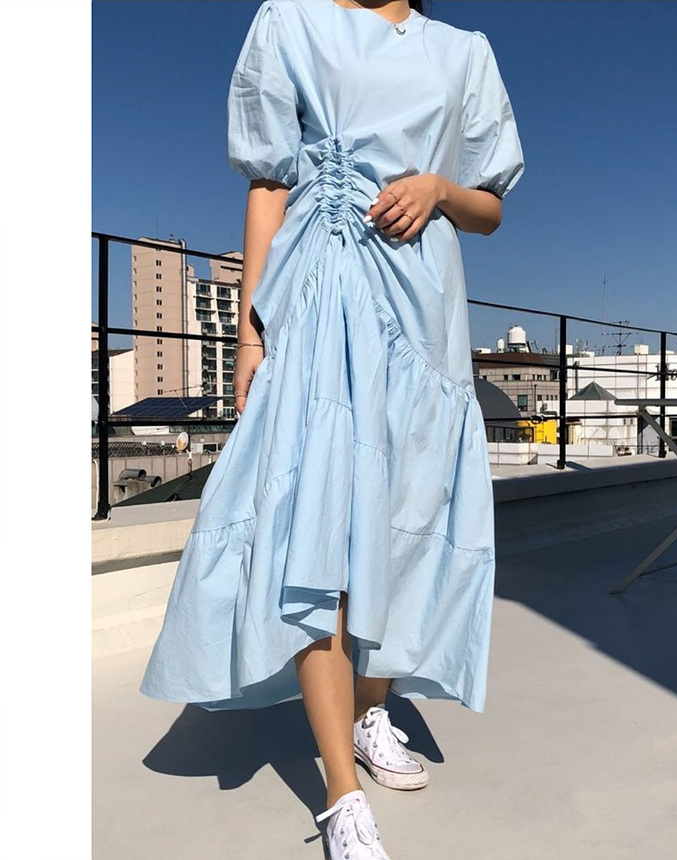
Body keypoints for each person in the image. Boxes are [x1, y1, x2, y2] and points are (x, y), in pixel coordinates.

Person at [139, 1, 524, 856]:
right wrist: (251, 335)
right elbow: (268, 183)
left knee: (406, 523)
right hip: (321, 298)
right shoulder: (290, 22)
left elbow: (490, 207)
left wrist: (440, 189)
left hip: (424, 310)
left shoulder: (464, 52)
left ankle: (372, 711)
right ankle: (341, 795)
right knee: (317, 523)